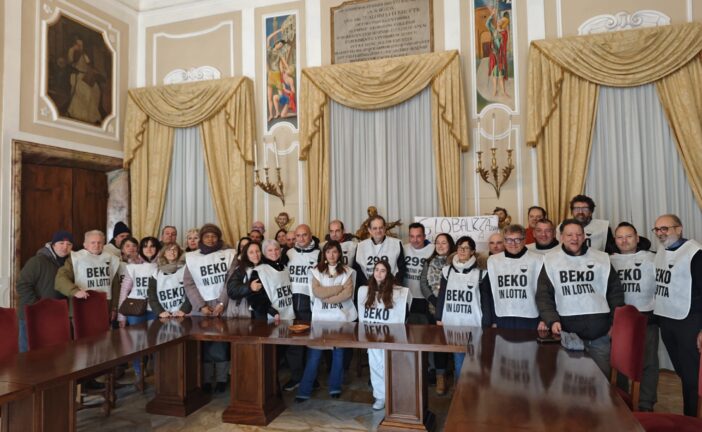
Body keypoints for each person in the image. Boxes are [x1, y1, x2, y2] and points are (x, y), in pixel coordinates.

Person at [536, 219, 624, 376]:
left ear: (584, 237)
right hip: (567, 334)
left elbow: (615, 293)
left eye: (578, 234)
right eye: (569, 234)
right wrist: (552, 320)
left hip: (600, 335)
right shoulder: (551, 260)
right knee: (570, 384)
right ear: (561, 237)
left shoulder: (601, 259)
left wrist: (614, 324)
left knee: (601, 384)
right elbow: (543, 296)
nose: (574, 238)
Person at [652, 214, 702, 416]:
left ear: (679, 229)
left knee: (691, 375)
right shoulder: (661, 251)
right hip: (668, 319)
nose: (661, 233)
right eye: (657, 229)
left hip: (689, 321)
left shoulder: (695, 253)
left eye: (666, 228)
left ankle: (690, 419)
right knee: (683, 372)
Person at [296, 241, 356, 402]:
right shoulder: (315, 271)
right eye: (328, 252)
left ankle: (335, 387)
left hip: (340, 318)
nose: (331, 255)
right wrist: (338, 288)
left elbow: (347, 293)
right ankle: (304, 390)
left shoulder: (348, 271)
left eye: (335, 252)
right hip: (321, 318)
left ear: (339, 254)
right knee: (314, 355)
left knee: (338, 355)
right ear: (324, 254)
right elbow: (317, 292)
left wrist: (327, 296)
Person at [610, 222, 658, 411]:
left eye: (629, 236)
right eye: (620, 237)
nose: (624, 240)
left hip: (647, 318)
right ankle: (622, 403)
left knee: (648, 364)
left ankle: (646, 405)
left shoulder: (653, 258)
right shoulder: (608, 260)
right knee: (619, 363)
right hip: (619, 321)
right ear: (615, 240)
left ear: (637, 238)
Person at [183, 224, 236, 393]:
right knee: (204, 344)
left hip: (223, 305)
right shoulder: (192, 257)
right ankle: (205, 379)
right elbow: (189, 284)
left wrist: (221, 303)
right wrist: (201, 305)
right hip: (202, 308)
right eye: (207, 236)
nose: (210, 239)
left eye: (214, 236)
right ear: (202, 238)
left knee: (220, 344)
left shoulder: (229, 254)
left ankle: (221, 378)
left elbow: (231, 281)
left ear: (218, 237)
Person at [435, 236, 491, 390]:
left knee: (474, 358)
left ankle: (472, 390)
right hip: (452, 321)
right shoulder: (447, 271)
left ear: (473, 251)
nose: (462, 250)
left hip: (472, 321)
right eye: (460, 247)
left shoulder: (481, 273)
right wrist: (439, 317)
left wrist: (487, 321)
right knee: (459, 358)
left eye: (466, 248)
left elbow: (486, 299)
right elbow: (442, 295)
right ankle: (460, 392)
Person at [357, 260, 410, 411]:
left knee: (391, 367)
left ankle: (394, 395)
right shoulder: (365, 290)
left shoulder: (397, 291)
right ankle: (380, 396)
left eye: (383, 270)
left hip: (390, 337)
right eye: (376, 270)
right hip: (373, 336)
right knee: (375, 367)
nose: (379, 273)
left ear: (388, 273)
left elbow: (404, 312)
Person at [16, 230, 73, 352]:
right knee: (28, 355)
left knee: (51, 355)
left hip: (55, 316)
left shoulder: (71, 264)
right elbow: (22, 285)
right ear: (53, 245)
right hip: (31, 315)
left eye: (69, 244)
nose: (65, 247)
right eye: (61, 243)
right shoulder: (37, 261)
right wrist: (38, 306)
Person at [485, 225, 546, 330]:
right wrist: (492, 320)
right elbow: (490, 293)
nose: (513, 244)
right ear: (504, 241)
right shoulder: (493, 261)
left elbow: (545, 293)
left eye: (517, 240)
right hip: (502, 316)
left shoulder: (538, 260)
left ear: (524, 240)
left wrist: (544, 318)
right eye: (508, 240)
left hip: (530, 317)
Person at [118, 236, 161, 384]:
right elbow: (124, 291)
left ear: (157, 249)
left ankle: (158, 373)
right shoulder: (132, 267)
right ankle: (139, 372)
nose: (149, 249)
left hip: (155, 309)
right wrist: (121, 316)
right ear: (141, 250)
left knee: (157, 342)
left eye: (152, 246)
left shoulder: (162, 265)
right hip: (135, 309)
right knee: (137, 344)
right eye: (145, 246)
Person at [283, 224, 321, 391]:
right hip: (291, 304)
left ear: (310, 235)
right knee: (293, 344)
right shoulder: (288, 253)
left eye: (304, 235)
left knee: (311, 343)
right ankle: (296, 377)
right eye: (298, 235)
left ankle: (311, 377)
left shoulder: (319, 253)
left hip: (311, 305)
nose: (301, 238)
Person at [55, 230, 122, 317]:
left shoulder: (111, 258)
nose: (96, 245)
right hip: (81, 306)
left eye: (99, 242)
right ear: (85, 245)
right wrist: (75, 291)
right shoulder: (76, 258)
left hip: (105, 308)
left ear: (104, 244)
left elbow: (115, 285)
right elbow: (60, 280)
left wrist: (114, 308)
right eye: (93, 242)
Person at [419, 233, 455, 393]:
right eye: (438, 243)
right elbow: (423, 284)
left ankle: (458, 375)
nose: (440, 246)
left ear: (450, 245)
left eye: (444, 243)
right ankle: (441, 377)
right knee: (439, 344)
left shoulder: (457, 262)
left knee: (455, 342)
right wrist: (434, 300)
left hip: (455, 308)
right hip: (435, 309)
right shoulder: (429, 262)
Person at [247, 239, 295, 320]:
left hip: (288, 314)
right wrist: (272, 312)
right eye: (270, 250)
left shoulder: (285, 268)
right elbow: (255, 298)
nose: (274, 253)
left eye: (276, 249)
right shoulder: (259, 271)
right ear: (264, 253)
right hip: (269, 316)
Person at [354, 215, 406, 289]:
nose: (378, 231)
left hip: (390, 288)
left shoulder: (396, 244)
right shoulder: (361, 246)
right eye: (375, 228)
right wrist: (368, 285)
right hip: (368, 288)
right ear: (369, 230)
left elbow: (401, 268)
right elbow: (357, 269)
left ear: (385, 228)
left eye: (381, 227)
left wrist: (393, 284)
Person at [147, 243, 192, 318]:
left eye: (175, 250)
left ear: (179, 253)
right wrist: (160, 311)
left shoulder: (186, 268)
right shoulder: (157, 272)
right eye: (168, 250)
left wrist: (184, 310)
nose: (172, 252)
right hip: (163, 314)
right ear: (164, 254)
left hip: (183, 313)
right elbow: (152, 294)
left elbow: (191, 291)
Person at [403, 223, 434, 324]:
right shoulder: (403, 249)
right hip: (406, 297)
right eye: (412, 236)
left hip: (425, 298)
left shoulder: (433, 249)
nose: (415, 240)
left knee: (425, 332)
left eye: (418, 236)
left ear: (424, 236)